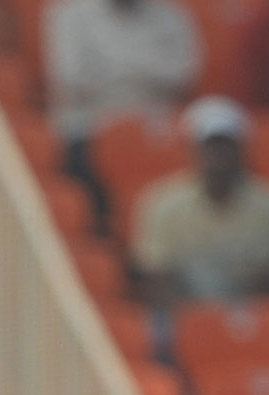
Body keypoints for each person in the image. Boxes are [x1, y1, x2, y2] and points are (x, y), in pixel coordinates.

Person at [44, 0, 201, 232]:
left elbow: (183, 75)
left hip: (153, 132)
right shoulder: (69, 14)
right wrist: (145, 73)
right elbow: (72, 81)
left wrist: (111, 68)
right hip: (90, 130)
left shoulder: (172, 15)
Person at [132, 95, 269, 310]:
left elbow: (263, 281)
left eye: (226, 145)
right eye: (210, 146)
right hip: (183, 311)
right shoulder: (161, 203)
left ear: (241, 150)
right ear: (193, 150)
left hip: (250, 313)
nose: (218, 155)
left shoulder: (264, 205)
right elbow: (155, 274)